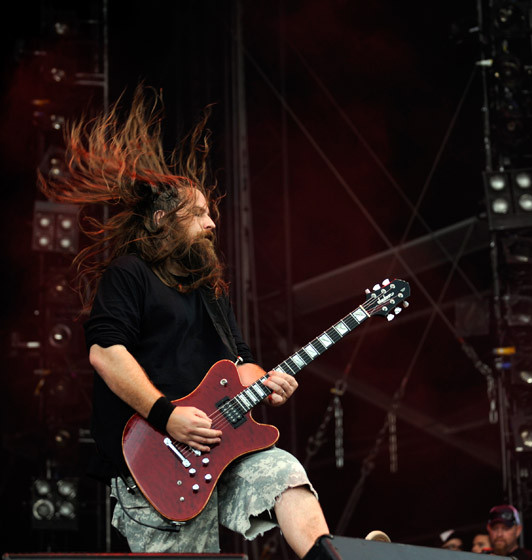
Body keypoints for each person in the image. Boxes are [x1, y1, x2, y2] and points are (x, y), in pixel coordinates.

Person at [39, 86, 336, 559]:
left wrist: (269, 382)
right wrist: (167, 416)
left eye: (211, 214)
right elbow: (105, 352)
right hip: (154, 460)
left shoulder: (209, 290)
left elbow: (240, 365)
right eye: (198, 213)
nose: (212, 224)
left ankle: (327, 558)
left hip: (221, 447)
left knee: (284, 471)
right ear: (160, 220)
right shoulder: (129, 273)